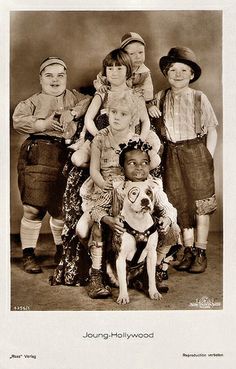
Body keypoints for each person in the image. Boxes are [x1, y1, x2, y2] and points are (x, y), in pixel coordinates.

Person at [75, 90, 161, 298]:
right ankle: (97, 271)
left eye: (123, 114)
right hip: (103, 190)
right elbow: (94, 169)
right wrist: (103, 184)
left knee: (163, 224)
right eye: (113, 112)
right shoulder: (100, 138)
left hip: (130, 191)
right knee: (83, 230)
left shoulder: (137, 140)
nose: (116, 117)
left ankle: (149, 271)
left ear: (132, 118)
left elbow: (150, 164)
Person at [13, 56, 92, 274]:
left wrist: (73, 112)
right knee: (33, 206)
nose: (55, 80)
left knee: (61, 208)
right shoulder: (32, 102)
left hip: (67, 154)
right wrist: (43, 123)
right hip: (40, 152)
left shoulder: (75, 97)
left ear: (66, 77)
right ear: (40, 79)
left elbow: (90, 101)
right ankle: (28, 254)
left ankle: (61, 250)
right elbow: (18, 120)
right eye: (49, 75)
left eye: (60, 75)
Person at [148, 46, 218, 273]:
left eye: (183, 70)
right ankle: (187, 251)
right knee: (179, 202)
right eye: (173, 70)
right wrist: (150, 109)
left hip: (195, 151)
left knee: (200, 203)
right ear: (166, 73)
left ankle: (200, 251)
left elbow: (212, 129)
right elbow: (151, 124)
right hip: (171, 154)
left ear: (192, 74)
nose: (178, 74)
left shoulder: (199, 97)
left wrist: (207, 155)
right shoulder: (159, 98)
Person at [90, 139, 180, 294]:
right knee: (97, 227)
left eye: (144, 162)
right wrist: (108, 220)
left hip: (145, 236)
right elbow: (96, 210)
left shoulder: (154, 186)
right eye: (132, 163)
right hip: (120, 238)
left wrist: (167, 220)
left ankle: (154, 269)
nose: (139, 167)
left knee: (173, 228)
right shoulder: (116, 185)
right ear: (122, 167)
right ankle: (96, 275)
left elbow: (169, 209)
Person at [71, 48, 159, 169]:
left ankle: (124, 168)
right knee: (77, 159)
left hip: (129, 139)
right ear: (105, 72)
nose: (114, 72)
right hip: (103, 138)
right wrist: (100, 136)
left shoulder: (135, 95)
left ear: (128, 71)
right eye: (110, 68)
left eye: (119, 68)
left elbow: (145, 121)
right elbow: (88, 119)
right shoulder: (103, 94)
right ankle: (102, 166)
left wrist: (139, 140)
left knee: (155, 161)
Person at [93, 32, 154, 102]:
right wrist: (101, 86)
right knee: (98, 95)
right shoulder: (116, 67)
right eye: (132, 54)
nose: (138, 57)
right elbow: (99, 79)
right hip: (112, 98)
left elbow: (148, 95)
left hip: (132, 101)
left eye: (141, 52)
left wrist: (141, 96)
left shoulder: (144, 73)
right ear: (123, 55)